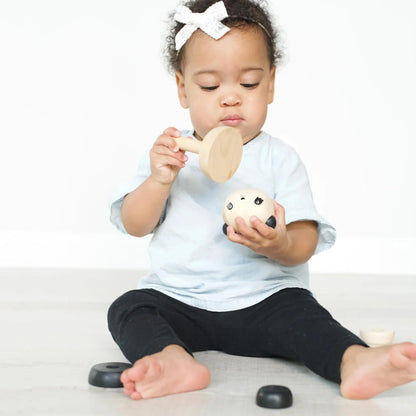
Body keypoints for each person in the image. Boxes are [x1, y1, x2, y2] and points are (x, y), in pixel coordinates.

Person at [108, 0, 416, 401]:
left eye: (249, 84)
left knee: (306, 319)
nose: (230, 98)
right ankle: (173, 359)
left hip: (264, 302)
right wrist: (158, 181)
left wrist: (279, 243)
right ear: (183, 89)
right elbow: (136, 225)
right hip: (179, 299)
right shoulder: (173, 154)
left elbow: (304, 240)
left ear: (270, 84)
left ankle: (352, 361)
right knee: (129, 308)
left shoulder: (279, 159)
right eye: (210, 86)